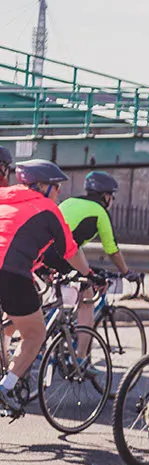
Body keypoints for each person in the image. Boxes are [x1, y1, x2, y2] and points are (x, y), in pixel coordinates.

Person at [0, 160, 94, 413]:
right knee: (35, 334)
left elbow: (13, 237)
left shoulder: (3, 197)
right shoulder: (48, 209)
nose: (59, 192)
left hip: (13, 269)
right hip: (10, 273)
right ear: (41, 187)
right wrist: (89, 275)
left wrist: (40, 268)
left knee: (12, 318)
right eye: (56, 186)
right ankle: (5, 387)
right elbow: (70, 251)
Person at [59, 170, 139, 351]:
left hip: (47, 255)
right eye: (112, 196)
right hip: (65, 256)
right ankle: (80, 356)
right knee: (87, 300)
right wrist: (126, 272)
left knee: (66, 292)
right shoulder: (100, 212)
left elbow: (72, 241)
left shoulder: (69, 201)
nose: (112, 200)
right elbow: (112, 250)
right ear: (105, 196)